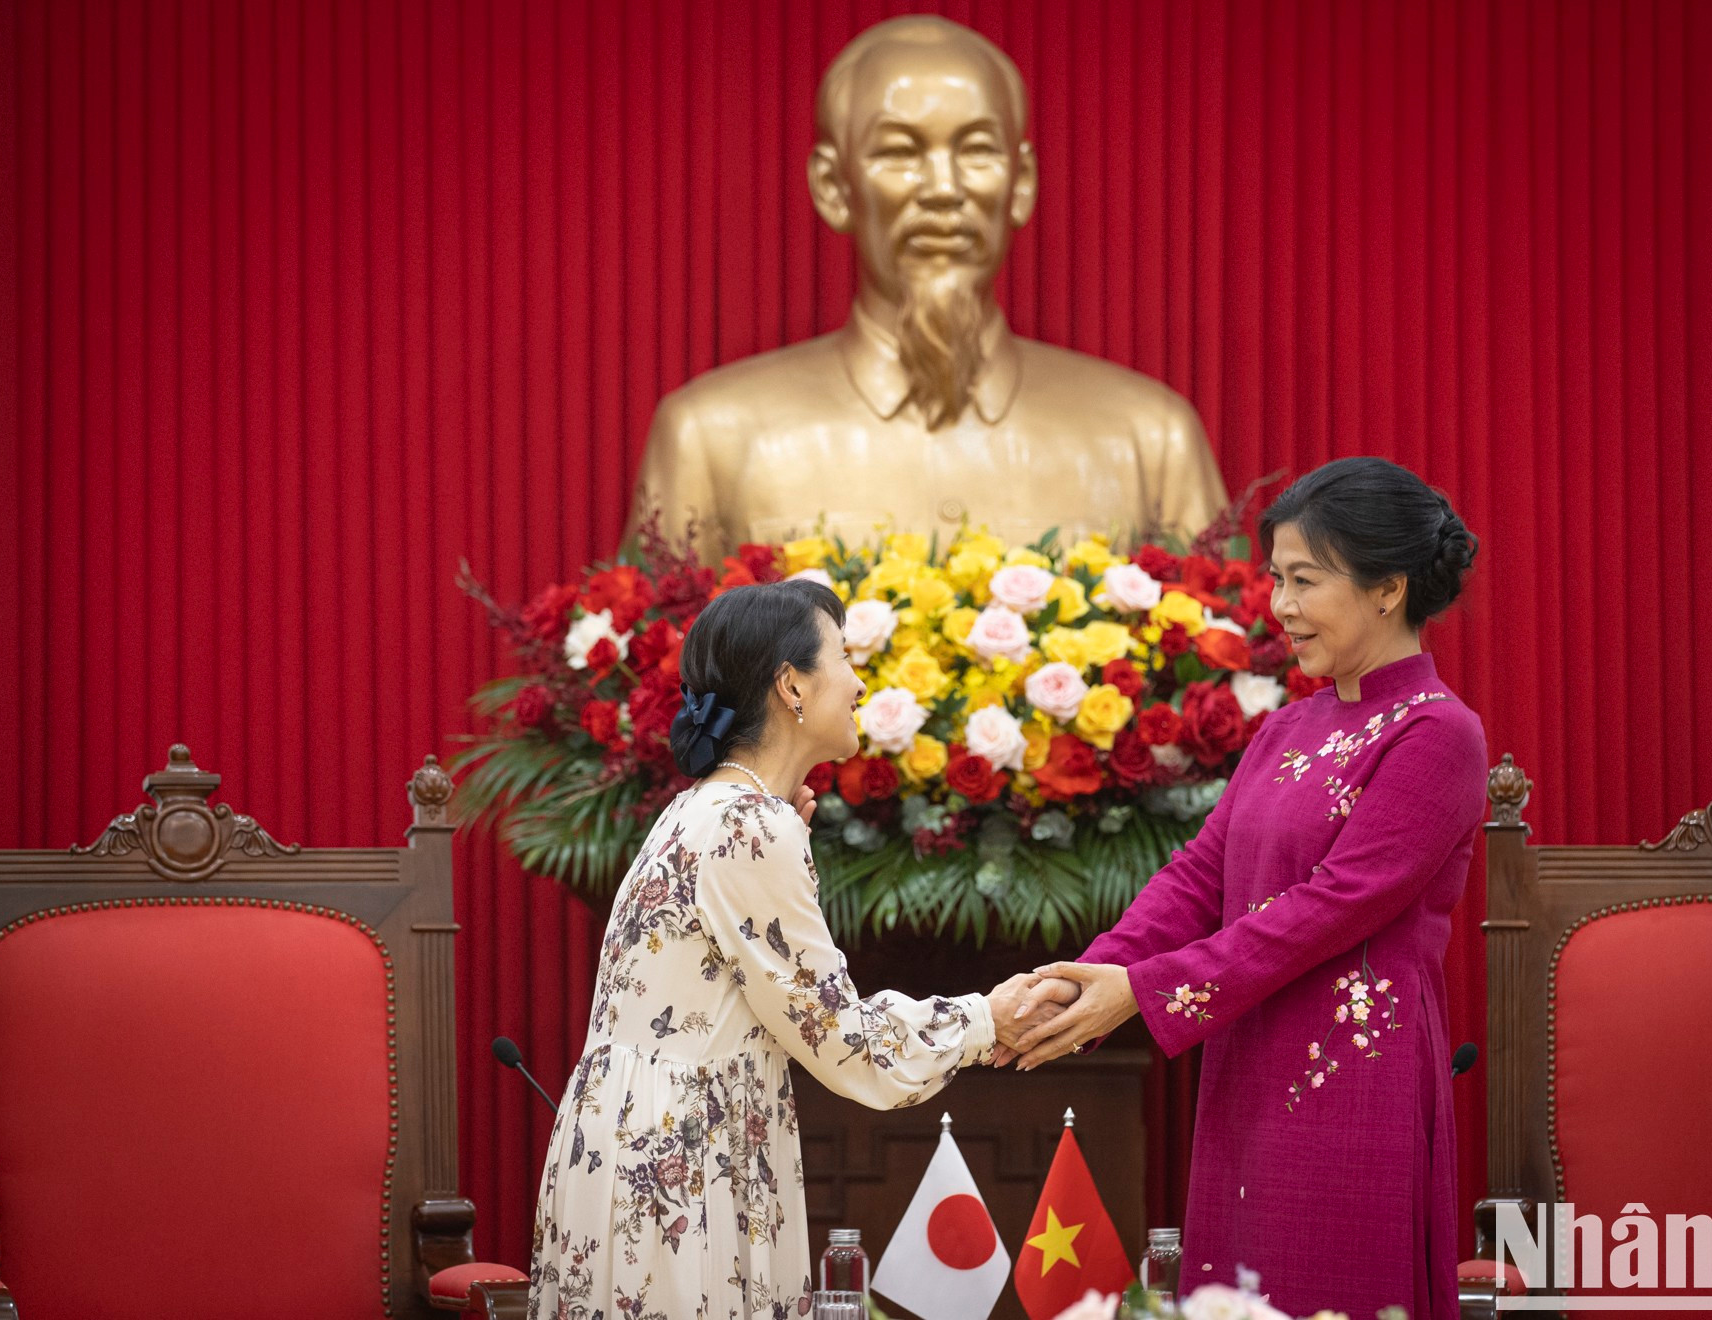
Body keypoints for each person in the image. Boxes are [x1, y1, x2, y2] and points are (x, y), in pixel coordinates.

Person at [1011, 457, 1486, 1320]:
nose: (1281, 607)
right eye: (1278, 579)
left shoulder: (1437, 734)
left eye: (1305, 581)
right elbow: (1201, 874)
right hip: (1247, 1063)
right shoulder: (1291, 725)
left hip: (1353, 1079)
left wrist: (1138, 991)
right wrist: (1084, 975)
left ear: (1388, 589)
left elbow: (1331, 907)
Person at [526, 579, 1064, 1319]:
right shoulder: (749, 826)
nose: (860, 679)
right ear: (791, 684)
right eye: (843, 657)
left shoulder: (705, 809)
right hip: (684, 1177)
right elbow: (845, 1044)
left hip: (634, 1154)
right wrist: (984, 1020)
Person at [624, 14, 1226, 562]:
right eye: (900, 152)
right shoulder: (709, 437)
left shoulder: (1151, 440)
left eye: (977, 150)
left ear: (1021, 184)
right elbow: (654, 673)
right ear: (834, 187)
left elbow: (1231, 667)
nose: (943, 189)